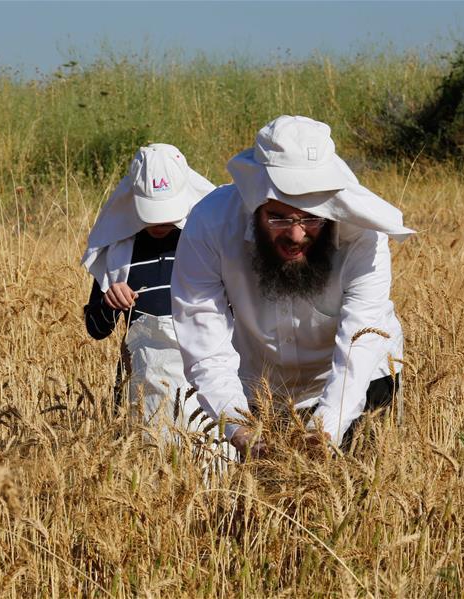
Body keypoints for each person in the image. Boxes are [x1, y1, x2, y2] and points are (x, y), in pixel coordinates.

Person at [170, 115, 415, 458]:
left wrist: (325, 427)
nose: (296, 235)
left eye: (312, 218)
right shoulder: (210, 224)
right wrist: (237, 425)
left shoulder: (363, 234)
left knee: (362, 494)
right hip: (263, 390)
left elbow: (361, 339)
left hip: (361, 380)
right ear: (255, 204)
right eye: (279, 217)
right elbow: (203, 335)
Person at [82, 143, 216, 439]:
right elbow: (96, 328)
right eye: (151, 213)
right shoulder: (119, 249)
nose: (159, 223)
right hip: (143, 391)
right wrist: (109, 304)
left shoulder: (206, 241)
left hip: (208, 388)